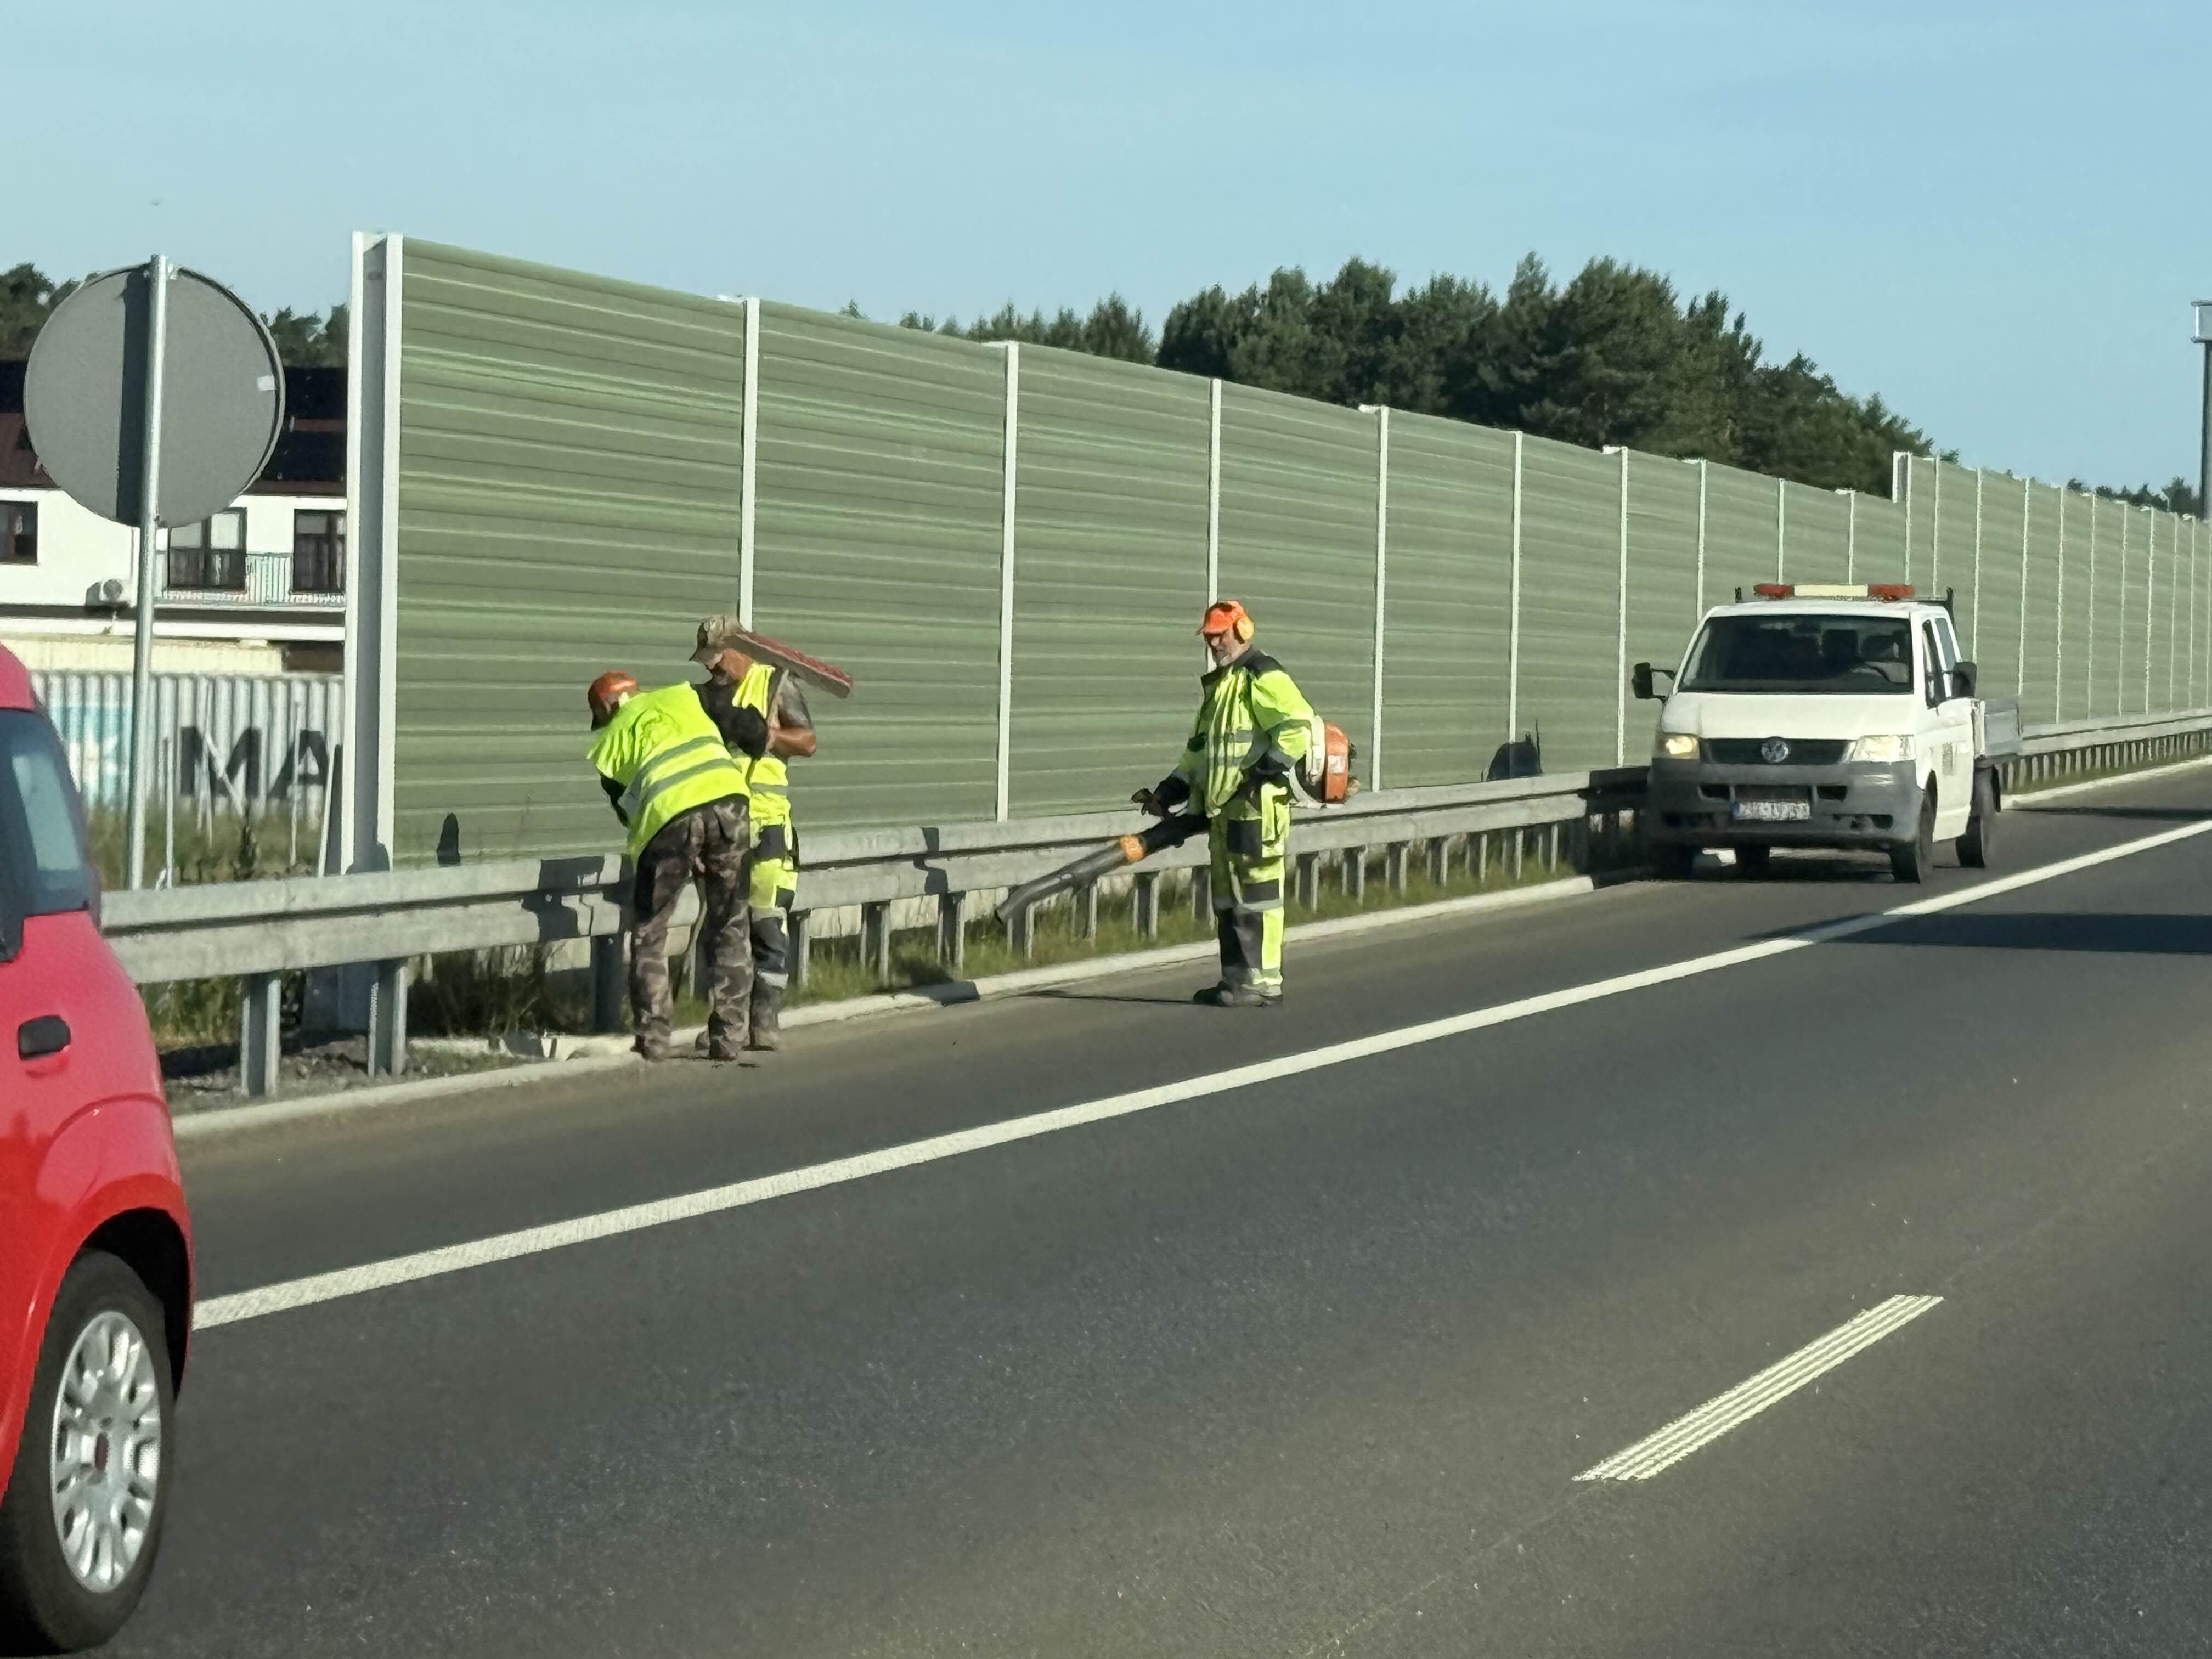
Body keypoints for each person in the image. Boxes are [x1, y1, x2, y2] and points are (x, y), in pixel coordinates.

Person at [1137, 600, 1315, 1008]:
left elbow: (1298, 726)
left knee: (1258, 898)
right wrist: (1169, 791)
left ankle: (1263, 982)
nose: (1214, 643)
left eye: (1220, 635)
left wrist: (1260, 774)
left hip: (1256, 811)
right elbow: (1199, 755)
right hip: (1223, 814)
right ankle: (1235, 981)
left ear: (1243, 631)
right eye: (1210, 637)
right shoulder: (1220, 687)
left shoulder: (1261, 674)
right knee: (1227, 899)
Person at [585, 670, 761, 1062]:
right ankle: (729, 1037)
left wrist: (682, 845)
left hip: (668, 821)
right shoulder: (685, 697)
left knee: (650, 932)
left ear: (605, 710)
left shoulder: (609, 743)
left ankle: (654, 1038)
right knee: (730, 924)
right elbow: (746, 732)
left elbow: (629, 814)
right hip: (730, 805)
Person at [691, 617, 817, 1051]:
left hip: (766, 827)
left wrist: (770, 735)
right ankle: (729, 1023)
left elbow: (808, 742)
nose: (712, 668)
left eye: (717, 658)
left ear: (740, 649)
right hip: (723, 827)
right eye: (706, 662)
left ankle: (765, 1020)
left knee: (766, 925)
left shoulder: (773, 685)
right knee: (727, 931)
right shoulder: (708, 698)